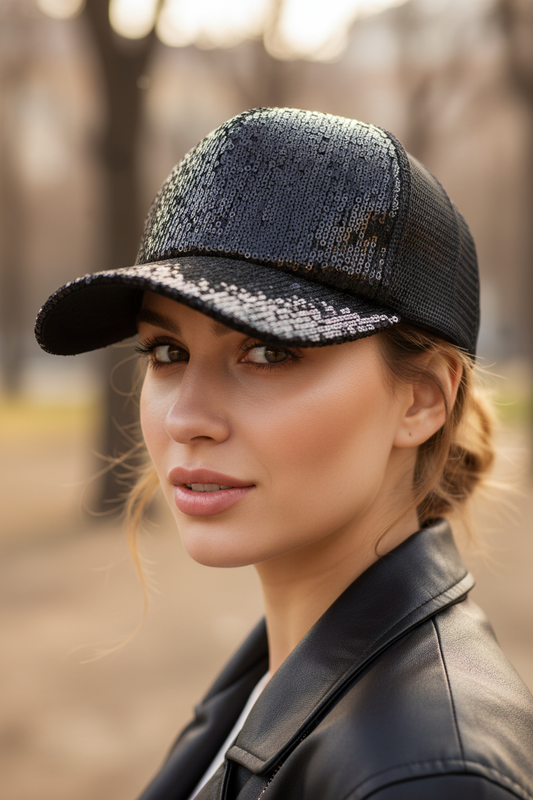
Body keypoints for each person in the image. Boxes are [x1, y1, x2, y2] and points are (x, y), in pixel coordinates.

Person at [35, 108, 533, 800]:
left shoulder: (429, 774)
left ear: (420, 399)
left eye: (268, 352)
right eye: (167, 351)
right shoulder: (286, 672)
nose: (186, 418)